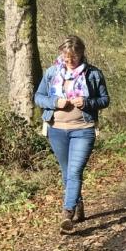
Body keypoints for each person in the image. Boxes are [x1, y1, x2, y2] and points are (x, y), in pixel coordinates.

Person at [33, 35, 111, 234]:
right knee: (67, 172)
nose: (70, 61)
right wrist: (54, 102)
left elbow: (104, 100)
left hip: (83, 129)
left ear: (81, 54)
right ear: (61, 54)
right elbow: (38, 97)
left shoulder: (93, 74)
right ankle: (78, 204)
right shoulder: (52, 73)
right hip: (56, 130)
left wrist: (87, 103)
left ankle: (67, 214)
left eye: (74, 57)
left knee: (75, 171)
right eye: (66, 57)